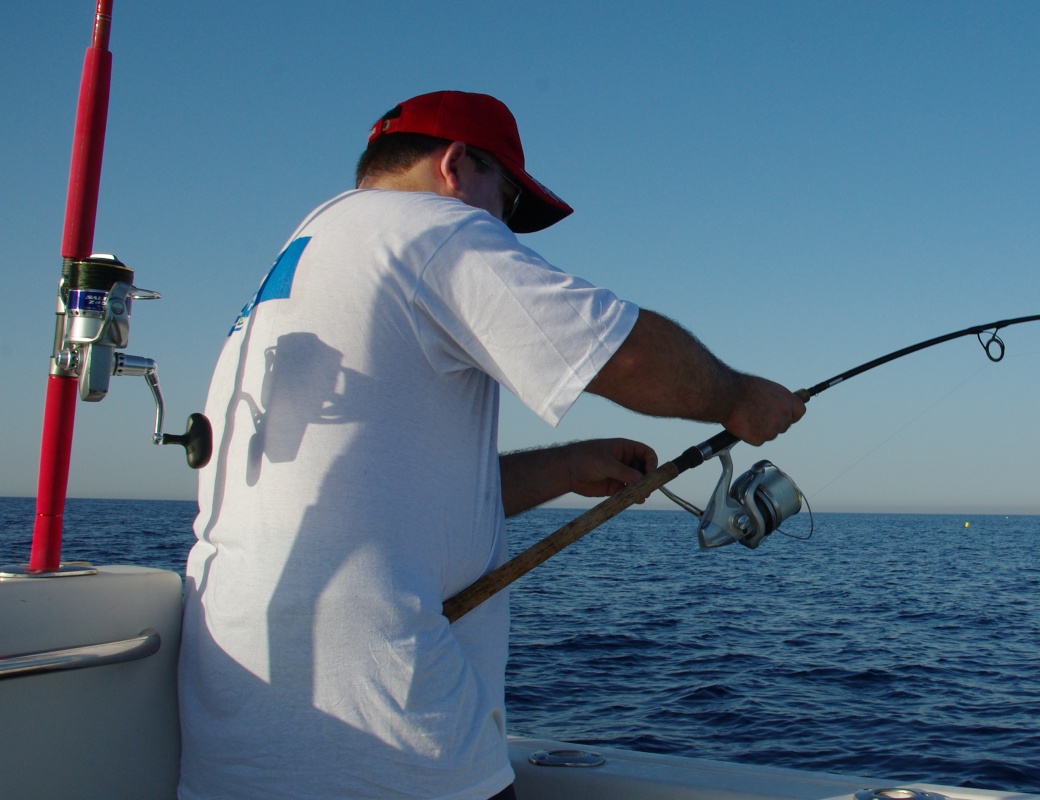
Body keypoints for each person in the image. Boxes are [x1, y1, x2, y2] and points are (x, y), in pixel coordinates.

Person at [177, 90, 805, 800]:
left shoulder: (305, 258)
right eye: (506, 201)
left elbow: (384, 497)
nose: (506, 226)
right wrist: (737, 397)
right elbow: (619, 353)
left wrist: (566, 466)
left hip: (240, 731)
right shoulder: (429, 230)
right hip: (382, 732)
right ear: (456, 165)